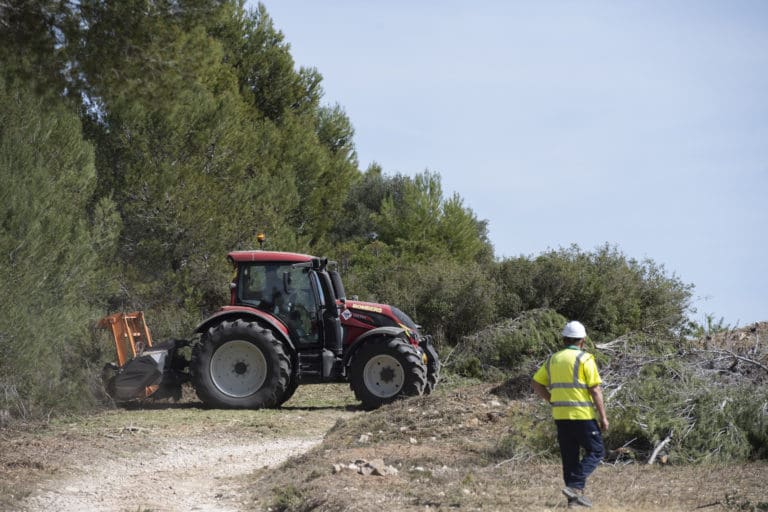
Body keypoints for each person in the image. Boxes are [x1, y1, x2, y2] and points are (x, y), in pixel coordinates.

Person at [531, 320, 609, 508]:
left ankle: (573, 502)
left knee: (570, 458)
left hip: (561, 416)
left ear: (564, 339)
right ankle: (574, 486)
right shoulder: (585, 359)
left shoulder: (553, 359)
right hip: (582, 415)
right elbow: (595, 390)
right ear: (583, 340)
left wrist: (551, 400)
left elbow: (536, 383)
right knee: (597, 450)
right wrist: (603, 417)